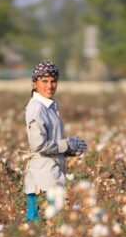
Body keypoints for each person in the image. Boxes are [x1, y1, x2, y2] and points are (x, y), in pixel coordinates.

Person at [24, 61, 87, 222]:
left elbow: (51, 142)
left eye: (53, 81)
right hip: (43, 179)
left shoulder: (49, 106)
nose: (50, 86)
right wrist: (67, 144)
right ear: (34, 82)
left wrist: (70, 150)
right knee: (45, 225)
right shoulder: (37, 107)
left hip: (51, 174)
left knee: (49, 227)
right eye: (44, 81)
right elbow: (39, 145)